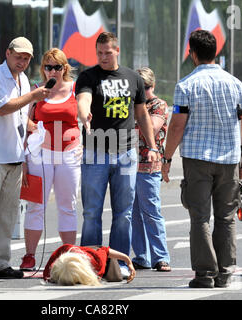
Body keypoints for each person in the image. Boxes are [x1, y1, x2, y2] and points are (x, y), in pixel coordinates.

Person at [162, 30, 242, 288]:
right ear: (216, 53)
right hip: (230, 159)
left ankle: (205, 274)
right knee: (226, 217)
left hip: (197, 159)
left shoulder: (186, 85)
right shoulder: (235, 84)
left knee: (200, 217)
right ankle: (224, 272)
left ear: (192, 53)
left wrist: (167, 158)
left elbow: (177, 125)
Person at [75, 32, 159, 278]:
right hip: (95, 152)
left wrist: (152, 147)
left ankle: (120, 263)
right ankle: (91, 263)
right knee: (92, 212)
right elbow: (83, 98)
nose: (103, 57)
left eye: (107, 52)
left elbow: (142, 115)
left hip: (126, 152)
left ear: (117, 50)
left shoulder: (133, 77)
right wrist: (84, 114)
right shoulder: (88, 76)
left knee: (123, 213)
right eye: (99, 53)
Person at [0, 37, 50, 280]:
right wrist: (34, 97)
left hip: (14, 154)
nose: (22, 62)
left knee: (7, 214)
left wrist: (31, 125)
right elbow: (3, 108)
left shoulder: (23, 79)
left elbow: (18, 113)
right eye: (18, 56)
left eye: (26, 58)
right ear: (7, 53)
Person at [19, 48, 81, 271]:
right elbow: (24, 124)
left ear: (65, 68)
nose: (52, 71)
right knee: (35, 206)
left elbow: (84, 118)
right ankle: (30, 255)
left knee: (68, 206)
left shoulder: (75, 89)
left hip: (69, 155)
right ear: (42, 69)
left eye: (57, 67)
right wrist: (24, 159)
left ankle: (69, 254)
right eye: (48, 67)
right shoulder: (36, 92)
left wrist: (82, 142)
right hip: (39, 155)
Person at [131, 67, 171, 272]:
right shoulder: (131, 105)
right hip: (129, 165)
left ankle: (161, 257)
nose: (142, 92)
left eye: (145, 87)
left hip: (148, 167)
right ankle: (142, 256)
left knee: (151, 212)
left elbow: (151, 129)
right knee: (134, 214)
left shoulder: (158, 104)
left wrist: (128, 124)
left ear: (152, 86)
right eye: (138, 87)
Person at [43, 244, 135, 285]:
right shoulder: (56, 260)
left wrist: (128, 261)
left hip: (99, 254)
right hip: (83, 255)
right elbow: (47, 275)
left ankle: (121, 268)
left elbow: (106, 251)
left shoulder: (97, 263)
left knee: (116, 277)